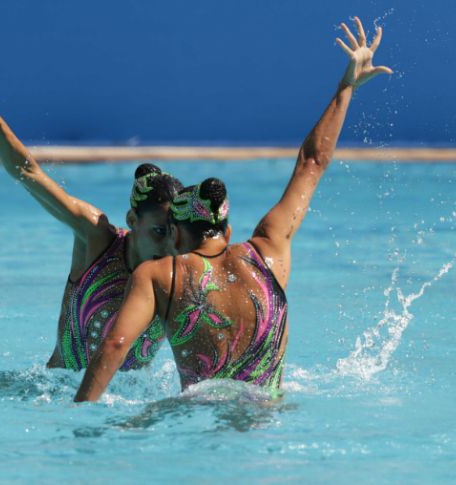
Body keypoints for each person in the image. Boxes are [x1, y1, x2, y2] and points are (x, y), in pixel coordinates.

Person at [74, 16, 392, 401]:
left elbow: (114, 345)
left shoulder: (160, 275)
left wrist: (80, 418)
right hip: (265, 425)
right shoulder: (269, 251)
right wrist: (347, 87)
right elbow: (312, 162)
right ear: (225, 230)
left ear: (175, 233)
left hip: (197, 419)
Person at [0, 63, 184, 371]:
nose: (169, 248)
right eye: (160, 232)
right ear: (133, 220)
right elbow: (28, 172)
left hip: (126, 411)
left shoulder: (181, 273)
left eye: (176, 235)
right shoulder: (97, 237)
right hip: (57, 400)